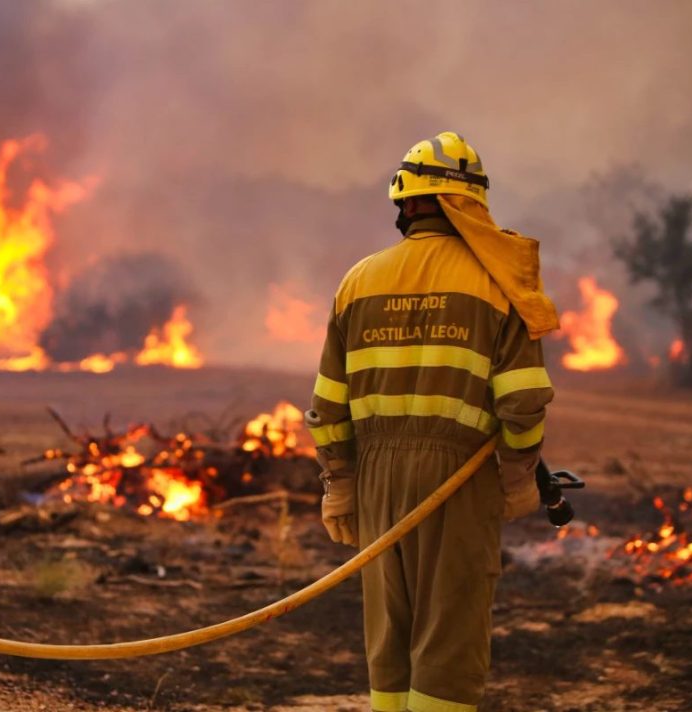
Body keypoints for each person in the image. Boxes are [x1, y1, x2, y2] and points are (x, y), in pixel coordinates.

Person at [305, 131, 559, 712]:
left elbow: (328, 400)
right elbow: (522, 400)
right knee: (449, 636)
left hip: (375, 478)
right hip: (458, 477)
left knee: (388, 634)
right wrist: (519, 477)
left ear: (405, 201)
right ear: (469, 205)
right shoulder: (500, 282)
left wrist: (341, 483)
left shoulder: (358, 281)